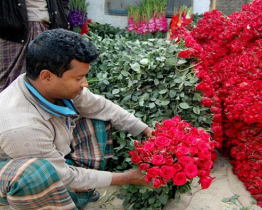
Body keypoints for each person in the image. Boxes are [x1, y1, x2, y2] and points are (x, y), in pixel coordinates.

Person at [0, 29, 154, 209]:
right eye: (79, 78)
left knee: (97, 117)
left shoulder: (50, 87)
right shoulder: (21, 126)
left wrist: (146, 130)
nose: (85, 83)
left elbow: (102, 107)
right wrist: (124, 178)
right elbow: (63, 175)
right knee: (35, 174)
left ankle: (83, 189)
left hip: (53, 155)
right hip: (17, 173)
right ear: (47, 76)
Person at [0, 0, 70, 92]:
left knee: (43, 82)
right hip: (10, 29)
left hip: (47, 26)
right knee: (7, 83)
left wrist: (62, 15)